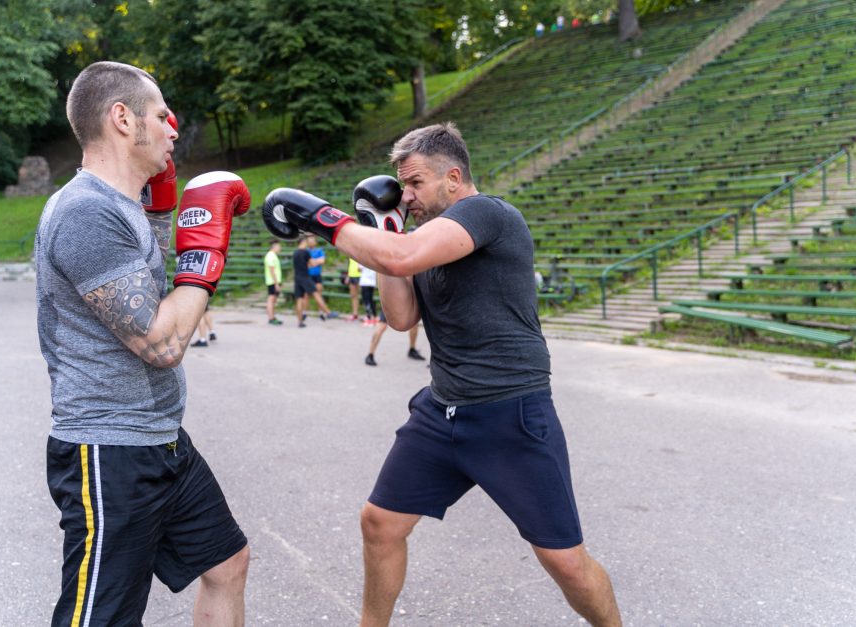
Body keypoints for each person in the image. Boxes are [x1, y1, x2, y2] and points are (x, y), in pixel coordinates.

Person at [262, 122, 621, 627]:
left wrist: (326, 222)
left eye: (415, 184)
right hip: (442, 410)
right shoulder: (421, 239)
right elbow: (402, 317)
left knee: (566, 562)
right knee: (380, 524)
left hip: (509, 412)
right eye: (401, 186)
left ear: (453, 177)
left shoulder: (487, 214)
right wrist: (385, 234)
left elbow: (403, 255)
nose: (405, 196)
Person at [35, 61, 250, 626]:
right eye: (161, 115)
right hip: (108, 449)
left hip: (158, 438)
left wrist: (159, 217)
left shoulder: (125, 209)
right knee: (99, 618)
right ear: (122, 119)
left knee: (227, 563)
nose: (173, 129)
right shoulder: (85, 212)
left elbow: (148, 292)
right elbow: (160, 342)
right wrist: (205, 255)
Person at [292, 236, 335, 327]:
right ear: (303, 242)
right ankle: (328, 313)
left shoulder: (295, 253)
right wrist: (317, 262)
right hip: (305, 277)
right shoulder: (306, 252)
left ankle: (300, 322)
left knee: (299, 299)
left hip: (297, 278)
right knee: (316, 294)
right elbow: (312, 264)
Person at [264, 239, 283, 325]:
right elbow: (272, 271)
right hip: (272, 282)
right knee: (271, 299)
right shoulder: (270, 256)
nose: (280, 248)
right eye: (279, 246)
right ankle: (271, 318)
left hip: (274, 281)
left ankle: (272, 317)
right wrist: (276, 284)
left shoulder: (273, 255)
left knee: (273, 299)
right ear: (274, 246)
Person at [307, 234, 325, 301]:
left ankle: (320, 310)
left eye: (312, 240)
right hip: (308, 275)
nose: (311, 242)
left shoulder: (319, 250)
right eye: (310, 241)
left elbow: (322, 261)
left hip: (317, 275)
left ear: (315, 242)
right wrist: (317, 261)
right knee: (307, 294)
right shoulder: (306, 251)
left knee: (319, 292)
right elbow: (306, 263)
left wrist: (311, 262)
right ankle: (306, 310)